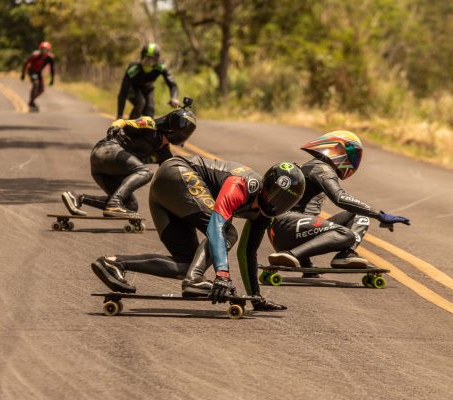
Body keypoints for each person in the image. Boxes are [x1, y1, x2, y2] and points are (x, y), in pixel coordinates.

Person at [91, 156, 305, 311]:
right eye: (271, 193)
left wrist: (255, 298)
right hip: (177, 172)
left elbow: (247, 252)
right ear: (264, 183)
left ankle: (113, 264)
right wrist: (222, 275)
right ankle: (194, 281)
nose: (273, 202)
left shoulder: (266, 215)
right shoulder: (243, 184)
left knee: (187, 264)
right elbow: (216, 226)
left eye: (283, 201)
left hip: (165, 194)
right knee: (227, 233)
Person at [267, 131, 410, 276]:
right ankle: (290, 254)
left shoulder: (314, 166)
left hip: (286, 229)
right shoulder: (322, 168)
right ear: (337, 150)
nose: (353, 159)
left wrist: (307, 267)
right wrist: (379, 215)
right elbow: (340, 198)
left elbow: (304, 213)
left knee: (359, 216)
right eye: (351, 154)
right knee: (346, 235)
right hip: (287, 226)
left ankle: (345, 255)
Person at [62, 105, 197, 218]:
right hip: (106, 150)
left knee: (131, 206)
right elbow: (123, 122)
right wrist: (114, 127)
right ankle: (114, 204)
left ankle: (78, 198)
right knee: (145, 171)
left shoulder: (164, 153)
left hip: (104, 169)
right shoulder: (150, 124)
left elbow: (171, 179)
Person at [117, 42, 179, 119]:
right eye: (147, 58)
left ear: (157, 60)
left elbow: (172, 84)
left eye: (153, 59)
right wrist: (120, 115)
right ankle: (130, 127)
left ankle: (146, 130)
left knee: (150, 110)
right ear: (142, 57)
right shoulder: (133, 68)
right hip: (133, 89)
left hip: (148, 89)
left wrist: (174, 98)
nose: (149, 62)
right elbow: (123, 92)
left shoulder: (161, 67)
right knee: (140, 103)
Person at [21, 41, 55, 111]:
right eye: (43, 49)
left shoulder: (50, 58)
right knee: (36, 84)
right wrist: (23, 74)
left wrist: (52, 79)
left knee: (41, 89)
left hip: (39, 72)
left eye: (46, 50)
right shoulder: (35, 55)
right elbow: (26, 63)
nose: (44, 51)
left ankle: (31, 101)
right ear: (40, 49)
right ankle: (31, 102)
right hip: (32, 71)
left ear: (48, 50)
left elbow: (52, 69)